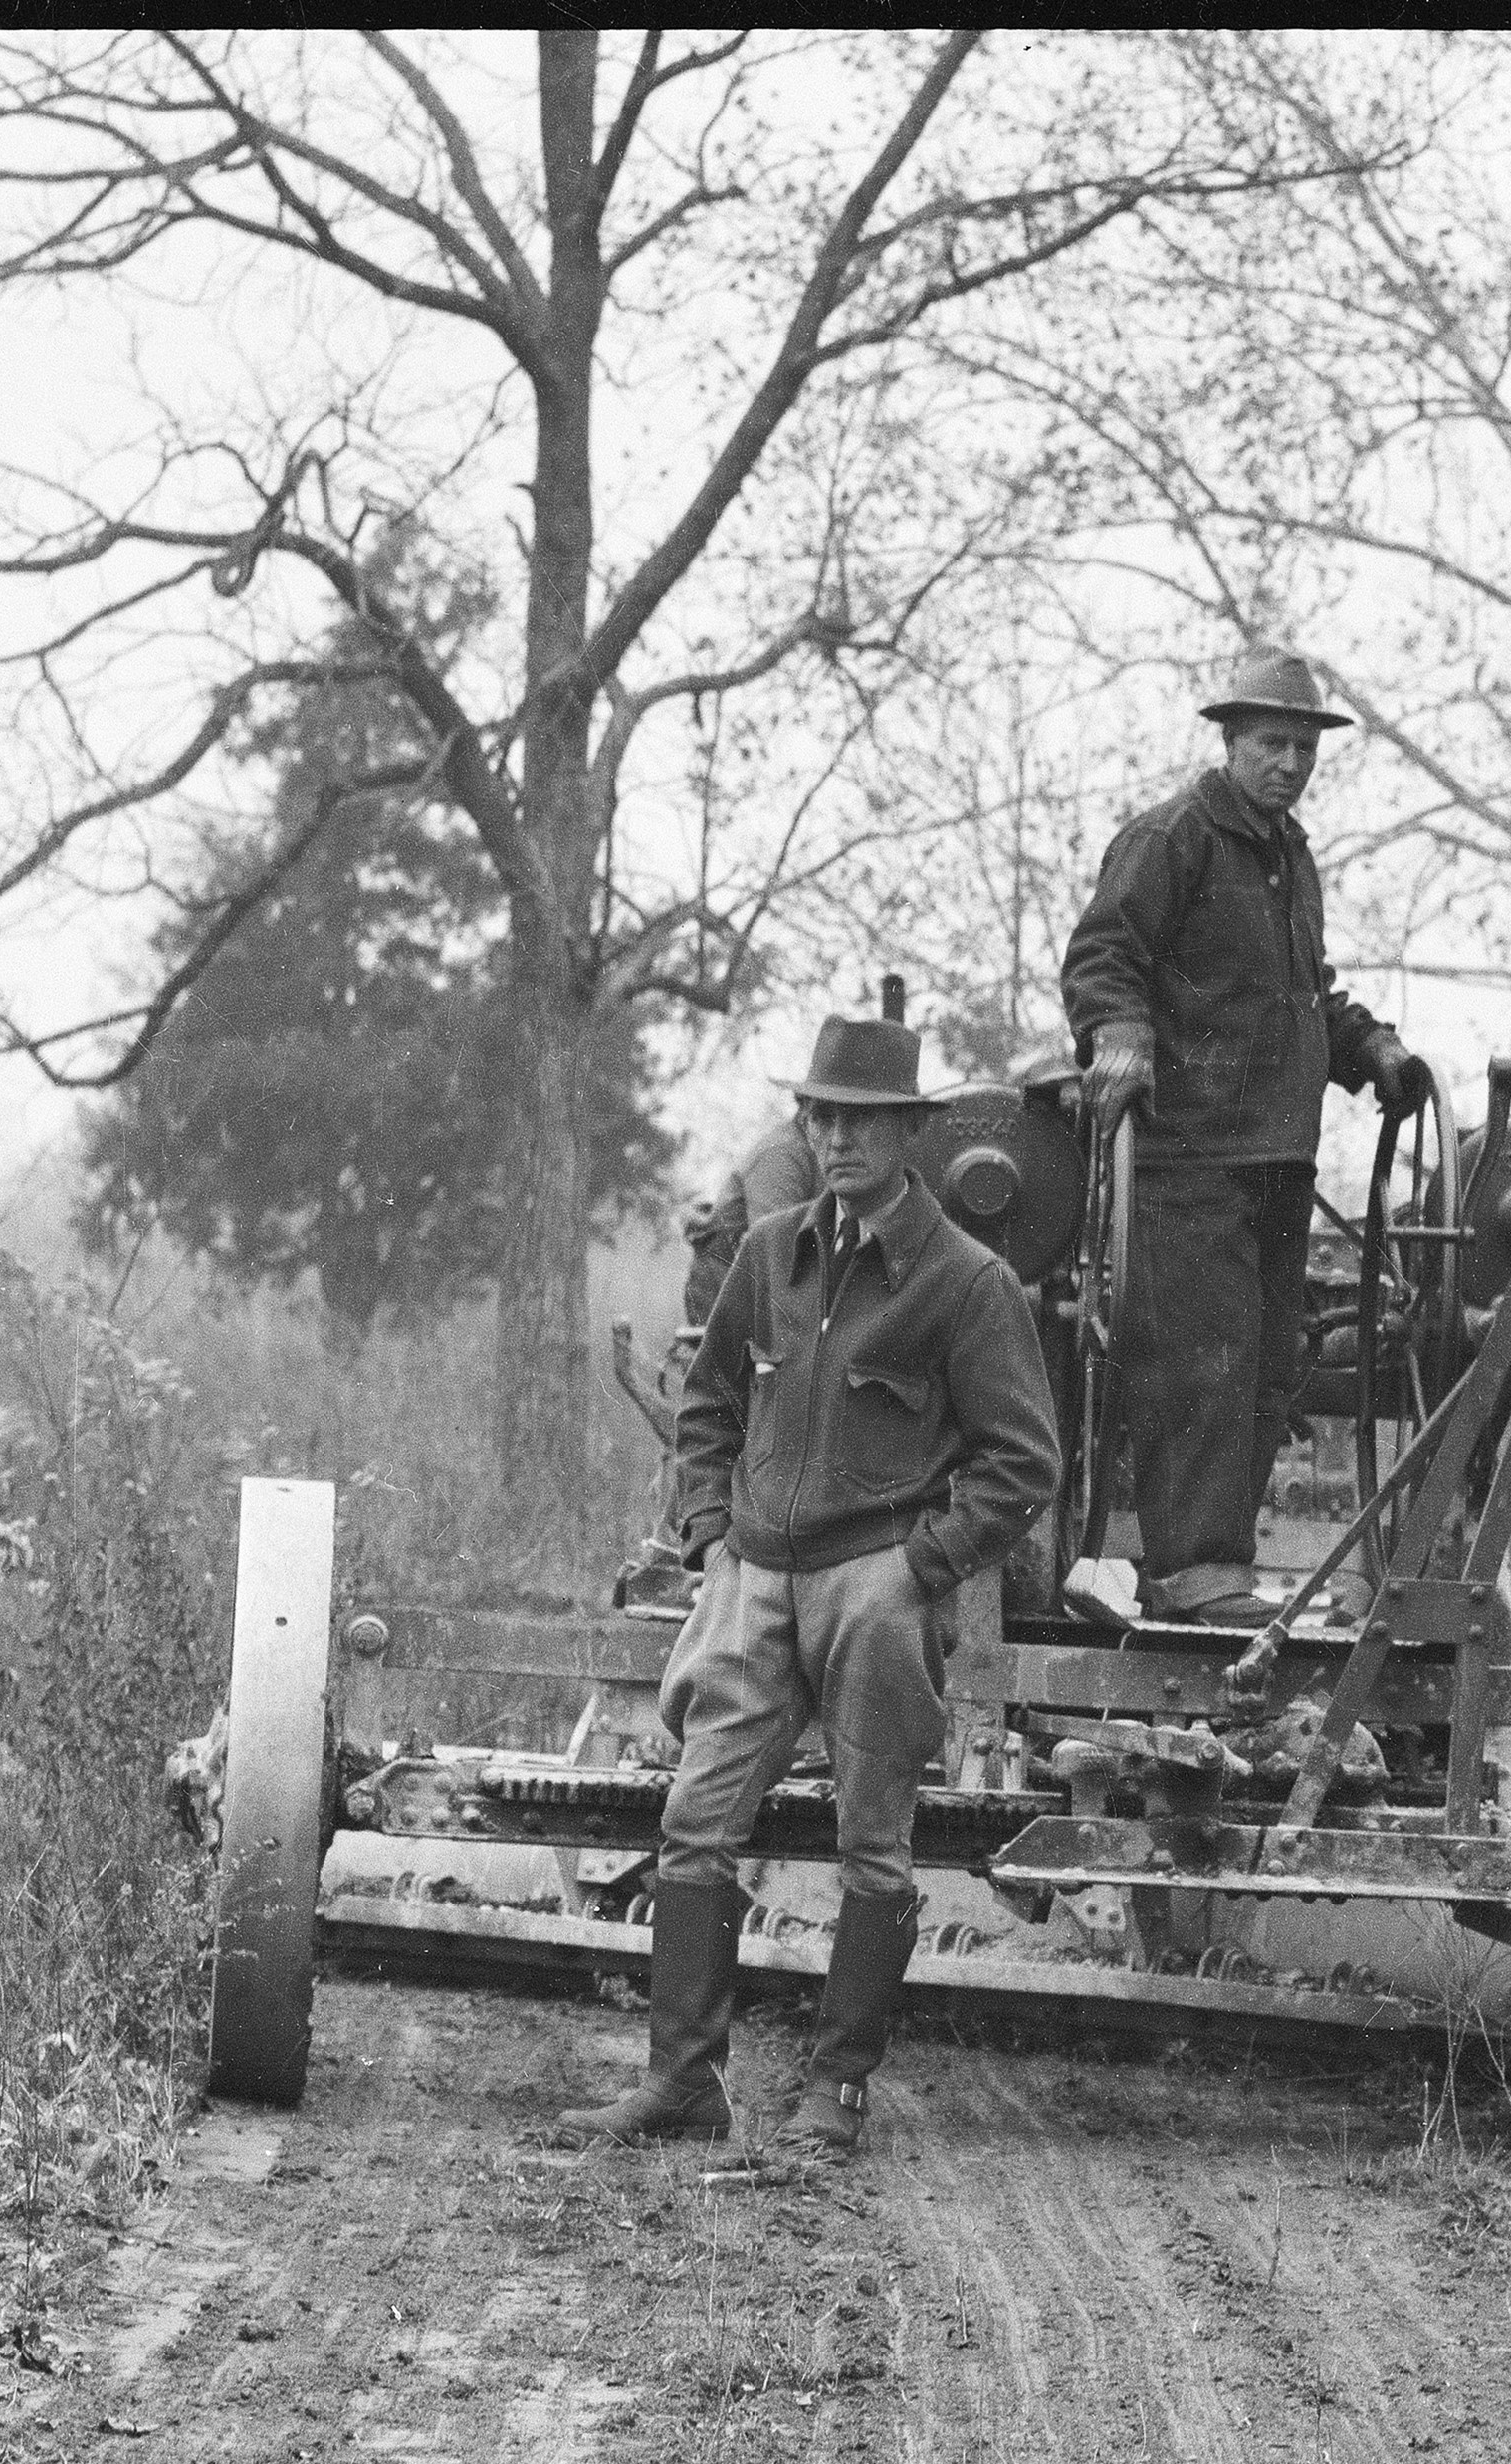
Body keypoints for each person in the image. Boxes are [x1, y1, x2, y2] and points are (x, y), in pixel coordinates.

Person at [562, 1010, 1062, 2162]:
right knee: (693, 1825)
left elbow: (1022, 1462)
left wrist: (918, 1568)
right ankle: (682, 2084)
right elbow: (708, 1405)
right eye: (822, 1116)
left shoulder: (968, 1281)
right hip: (753, 1580)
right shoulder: (769, 1251)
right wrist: (707, 1541)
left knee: (871, 1846)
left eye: (865, 1121)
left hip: (874, 1594)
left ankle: (835, 2092)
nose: (839, 1138)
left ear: (909, 1134)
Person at [1057, 645, 1435, 1625]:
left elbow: (1300, 991)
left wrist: (1370, 1050)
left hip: (1275, 1154)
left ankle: (1215, 1564)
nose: (1290, 764)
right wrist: (1125, 1032)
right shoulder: (1171, 836)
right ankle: (1196, 1575)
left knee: (1268, 1367)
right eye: (1273, 744)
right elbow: (1104, 955)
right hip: (1188, 1156)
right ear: (1230, 741)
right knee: (1202, 1366)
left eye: (1305, 749)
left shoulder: (1288, 856)